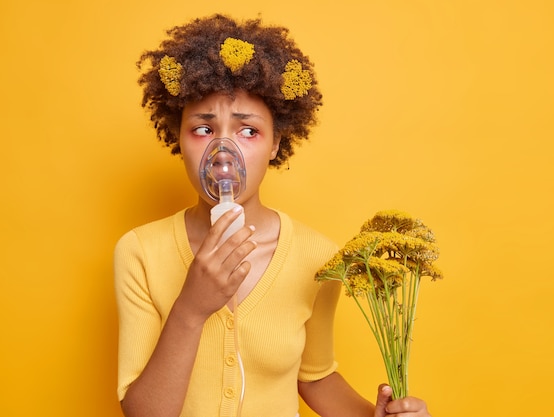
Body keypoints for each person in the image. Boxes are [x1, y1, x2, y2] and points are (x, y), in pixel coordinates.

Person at [114, 14, 432, 417]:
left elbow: (314, 376)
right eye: (202, 129)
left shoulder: (318, 258)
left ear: (276, 142)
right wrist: (191, 309)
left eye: (248, 131)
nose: (223, 153)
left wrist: (377, 416)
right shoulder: (140, 252)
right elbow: (143, 412)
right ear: (177, 136)